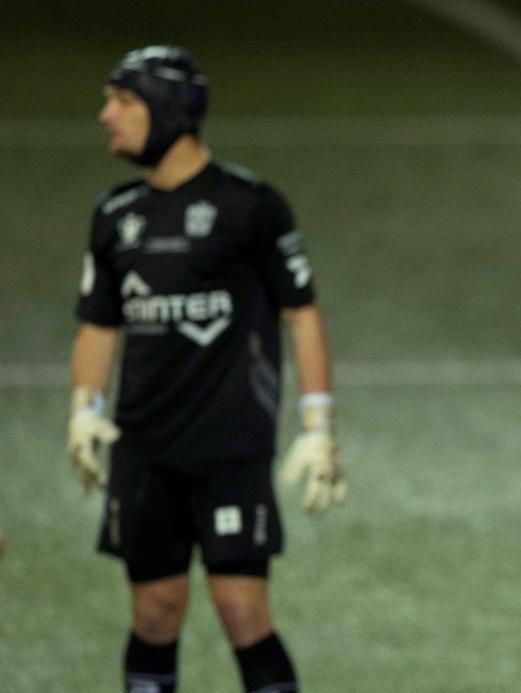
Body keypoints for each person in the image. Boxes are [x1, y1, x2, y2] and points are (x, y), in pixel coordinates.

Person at [68, 45, 345, 693]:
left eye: (123, 101)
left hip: (230, 450)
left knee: (242, 609)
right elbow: (98, 323)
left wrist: (318, 424)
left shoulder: (251, 207)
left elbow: (301, 315)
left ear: (167, 111)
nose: (106, 115)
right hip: (144, 450)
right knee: (154, 611)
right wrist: (84, 409)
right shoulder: (114, 216)